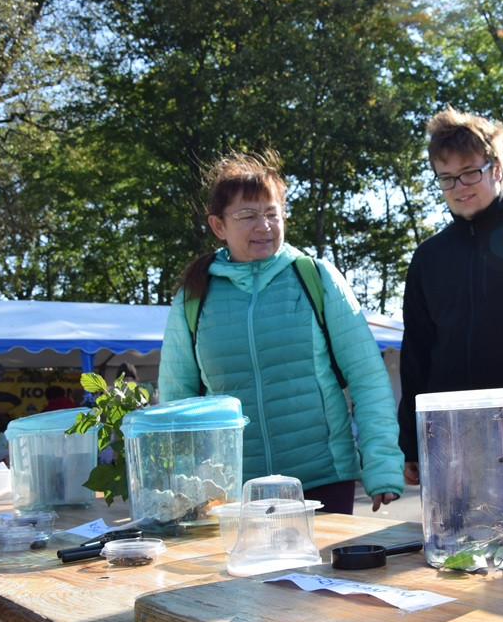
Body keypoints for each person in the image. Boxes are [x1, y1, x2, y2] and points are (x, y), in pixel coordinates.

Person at [158, 149, 404, 514]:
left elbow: (367, 378)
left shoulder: (317, 278)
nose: (264, 226)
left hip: (323, 480)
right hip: (232, 493)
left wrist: (383, 465)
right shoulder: (194, 297)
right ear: (218, 226)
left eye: (272, 213)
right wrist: (181, 487)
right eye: (248, 215)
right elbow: (177, 403)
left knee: (321, 574)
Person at [396, 107, 503, 485]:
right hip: (453, 432)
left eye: (470, 171)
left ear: (496, 168)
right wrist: (411, 442)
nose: (460, 186)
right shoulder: (428, 258)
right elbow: (416, 355)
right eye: (447, 178)